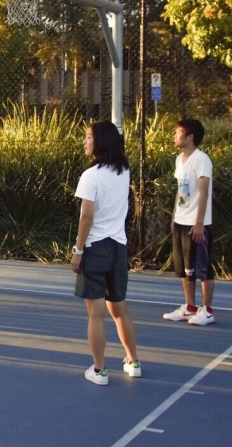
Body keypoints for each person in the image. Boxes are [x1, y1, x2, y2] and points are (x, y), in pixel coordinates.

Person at [70, 121, 140, 386]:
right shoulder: (123, 171)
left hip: (96, 248)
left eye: (88, 137)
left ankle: (99, 371)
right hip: (118, 249)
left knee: (95, 314)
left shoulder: (91, 176)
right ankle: (133, 361)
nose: (84, 142)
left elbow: (87, 215)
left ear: (100, 142)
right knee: (120, 310)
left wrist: (78, 250)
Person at [163, 118, 216, 326]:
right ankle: (190, 307)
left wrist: (200, 223)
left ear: (190, 137)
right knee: (184, 268)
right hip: (181, 221)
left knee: (202, 268)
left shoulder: (202, 159)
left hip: (198, 223)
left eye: (178, 132)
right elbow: (180, 190)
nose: (175, 135)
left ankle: (207, 310)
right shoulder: (179, 160)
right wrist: (174, 216)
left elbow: (203, 192)